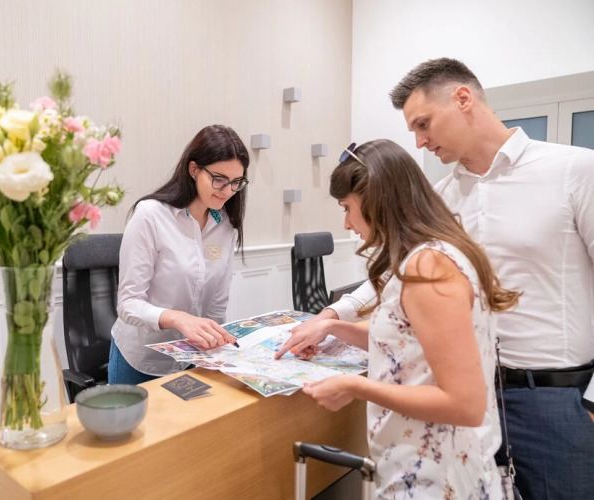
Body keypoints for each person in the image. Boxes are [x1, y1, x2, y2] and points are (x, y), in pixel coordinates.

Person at [285, 58, 594, 500]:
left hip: (549, 395)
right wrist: (334, 316)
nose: (420, 140)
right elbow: (395, 273)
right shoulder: (441, 197)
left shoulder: (574, 172)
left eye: (423, 123)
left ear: (463, 99)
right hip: (465, 396)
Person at [282, 138, 520, 498]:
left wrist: (354, 387)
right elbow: (405, 344)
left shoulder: (429, 268)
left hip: (438, 478)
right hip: (416, 469)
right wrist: (332, 326)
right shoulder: (423, 258)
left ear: (376, 199)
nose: (347, 223)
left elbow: (465, 405)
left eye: (347, 208)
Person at [109, 124, 249, 385]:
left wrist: (217, 344)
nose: (228, 190)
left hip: (193, 358)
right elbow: (128, 304)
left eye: (236, 182)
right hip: (141, 359)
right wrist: (178, 318)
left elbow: (217, 304)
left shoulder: (225, 227)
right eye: (219, 179)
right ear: (194, 169)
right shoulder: (150, 216)